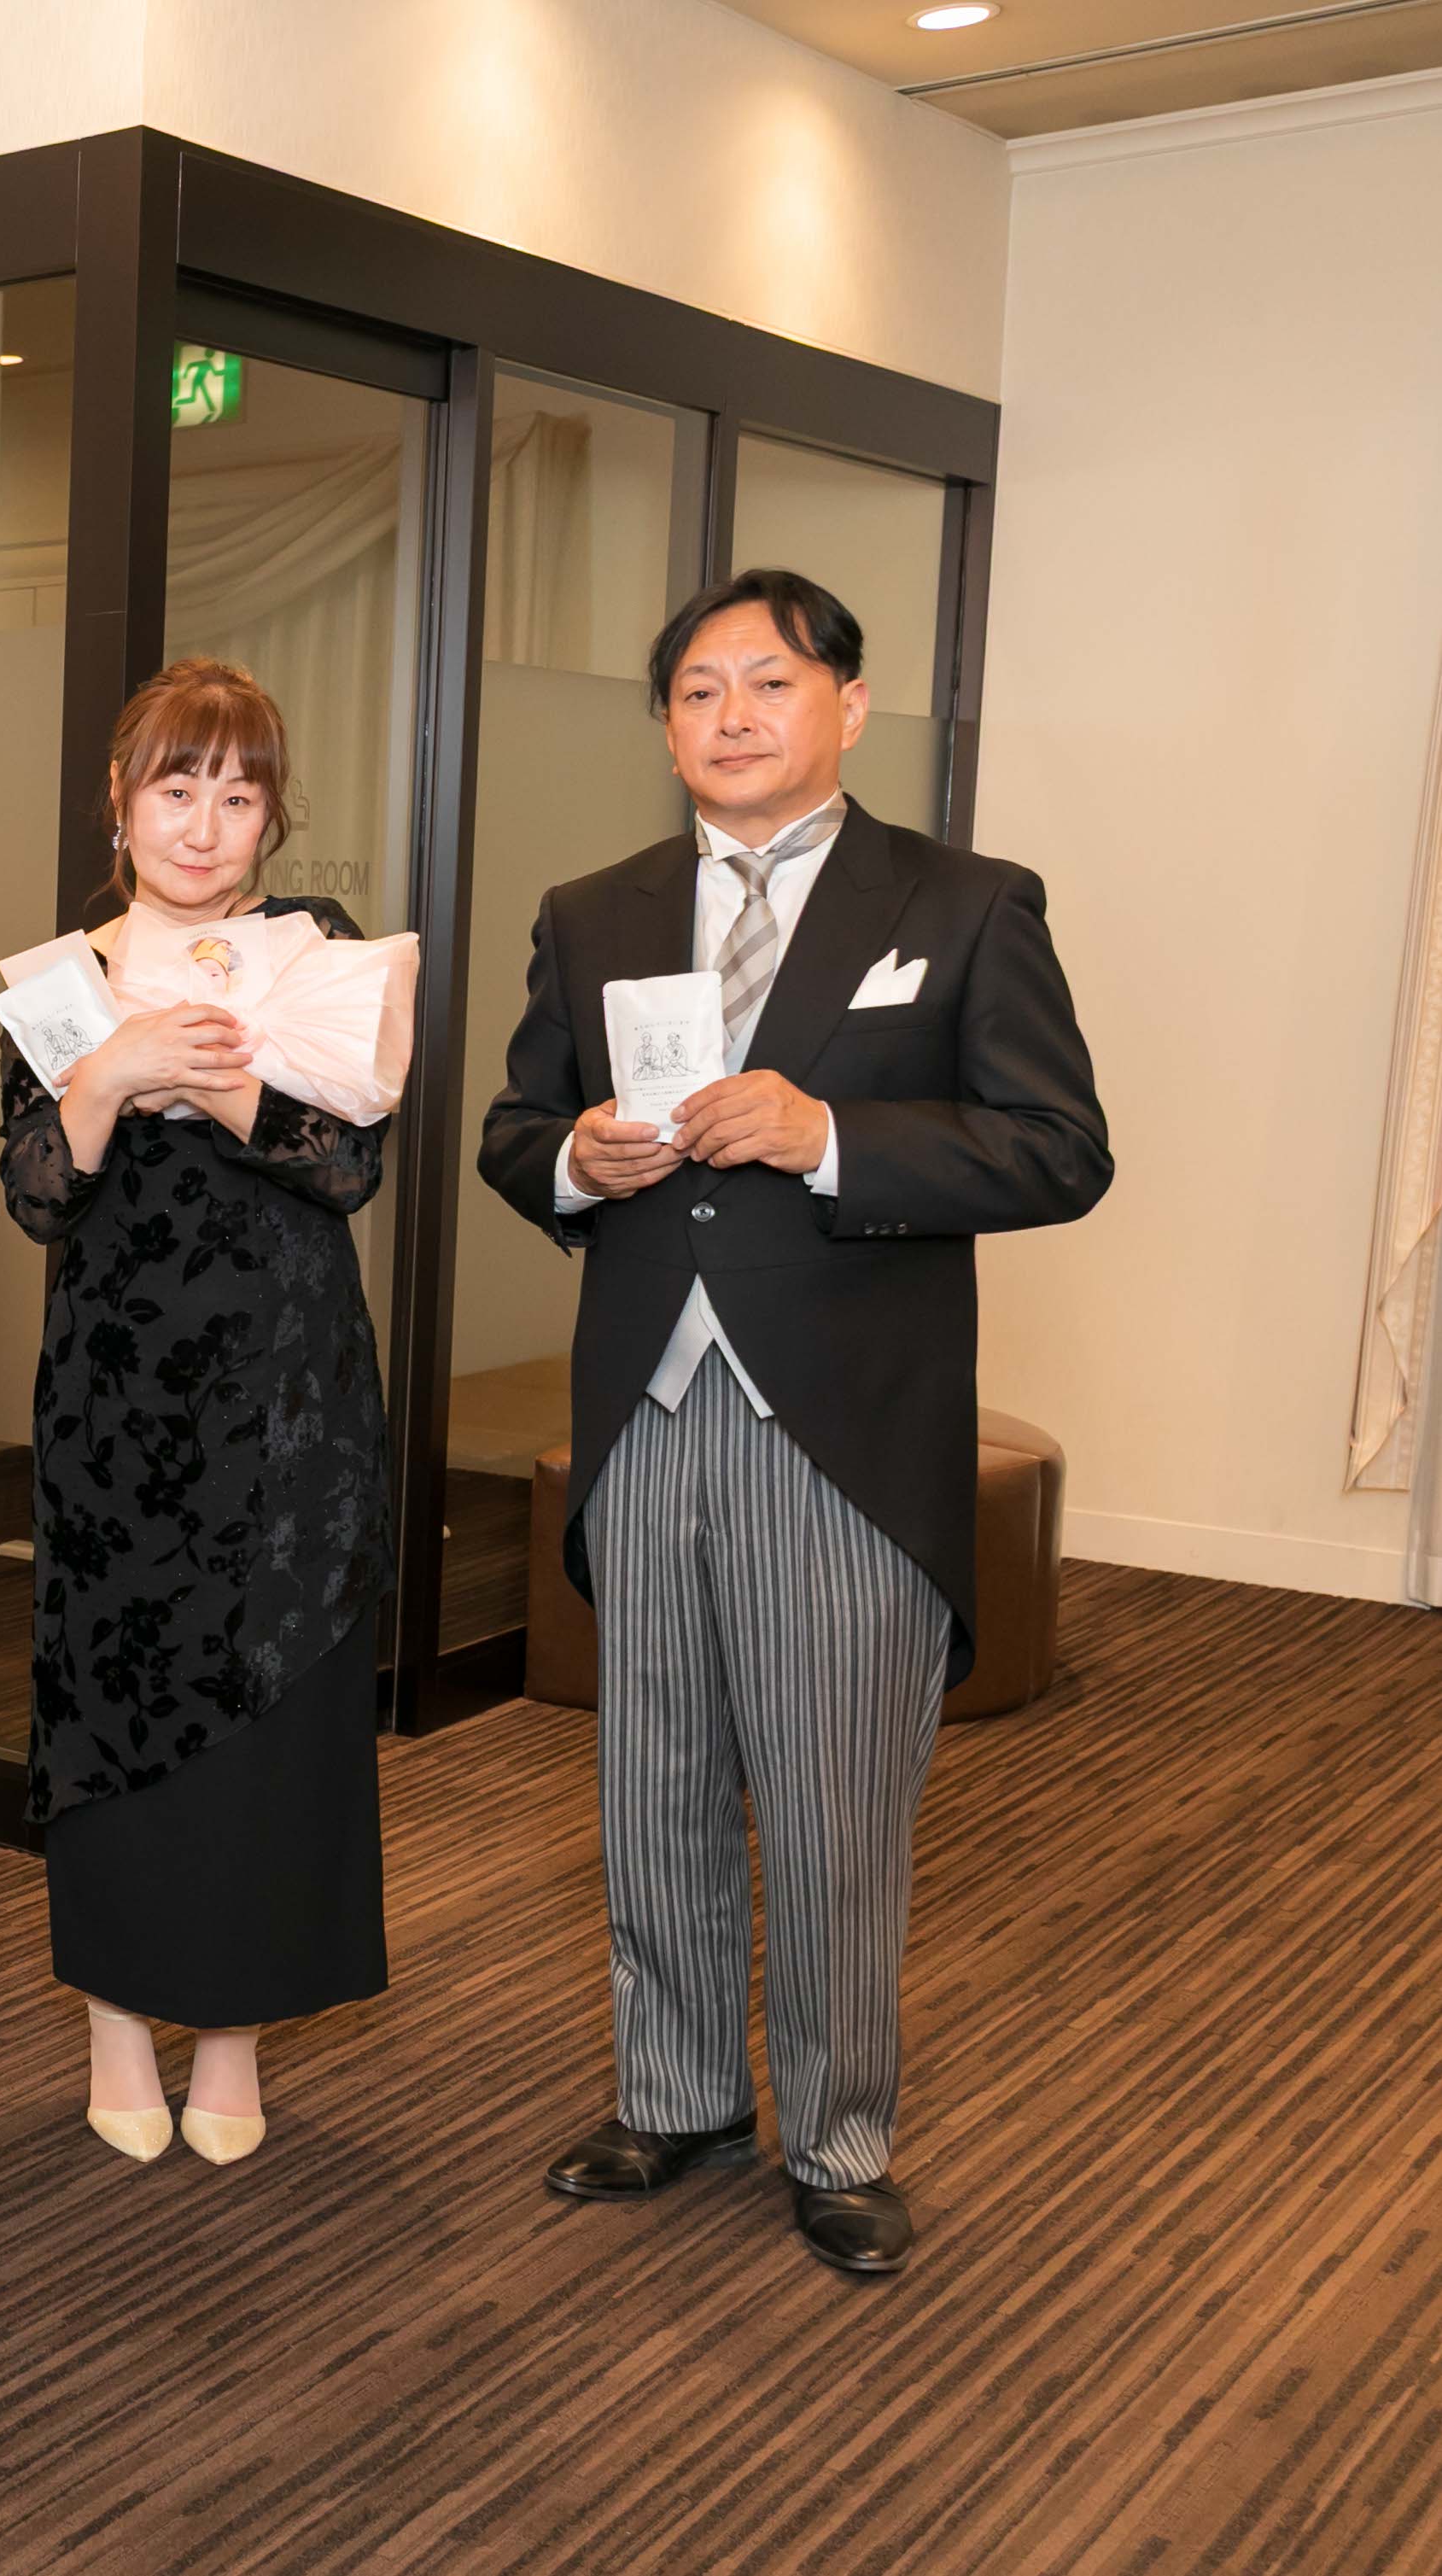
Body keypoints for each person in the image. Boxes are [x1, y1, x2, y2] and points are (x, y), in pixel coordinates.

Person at [479, 568, 1111, 2276]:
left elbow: (1057, 1149)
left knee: (832, 1805)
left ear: (847, 704)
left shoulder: (963, 904)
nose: (731, 715)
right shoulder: (592, 909)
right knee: (653, 1778)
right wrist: (570, 1158)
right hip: (642, 1407)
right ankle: (673, 2094)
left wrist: (825, 1134)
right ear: (665, 725)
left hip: (839, 1421)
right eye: (696, 690)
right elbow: (516, 1126)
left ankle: (838, 2136)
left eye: (767, 681)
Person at [0, 659, 410, 2169]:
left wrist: (218, 1084)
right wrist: (110, 1072)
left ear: (268, 819)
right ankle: (115, 2025)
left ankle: (231, 2038)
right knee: (109, 1706)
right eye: (176, 788)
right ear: (120, 802)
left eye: (237, 796)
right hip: (114, 1407)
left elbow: (349, 1167)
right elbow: (36, 1195)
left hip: (288, 1402)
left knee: (269, 1715)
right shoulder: (63, 977)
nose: (202, 823)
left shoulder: (317, 955)